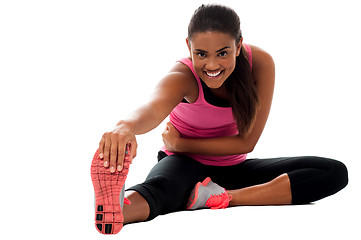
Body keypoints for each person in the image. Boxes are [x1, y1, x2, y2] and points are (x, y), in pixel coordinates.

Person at [90, 4, 348, 235]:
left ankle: (221, 197)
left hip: (231, 169)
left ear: (238, 45)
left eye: (222, 53)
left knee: (332, 172)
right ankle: (116, 208)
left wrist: (182, 144)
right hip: (182, 164)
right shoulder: (182, 75)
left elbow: (246, 144)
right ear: (189, 47)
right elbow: (152, 107)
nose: (211, 64)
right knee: (162, 189)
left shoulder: (260, 64)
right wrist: (126, 127)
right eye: (201, 54)